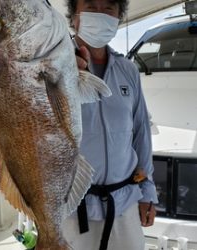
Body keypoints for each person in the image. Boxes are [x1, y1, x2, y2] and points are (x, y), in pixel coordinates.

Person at [62, 0, 158, 250]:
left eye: (109, 8)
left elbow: (141, 134)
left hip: (124, 202)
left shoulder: (128, 70)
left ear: (119, 16)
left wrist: (147, 192)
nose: (101, 14)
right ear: (74, 16)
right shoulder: (54, 67)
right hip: (73, 207)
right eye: (91, 7)